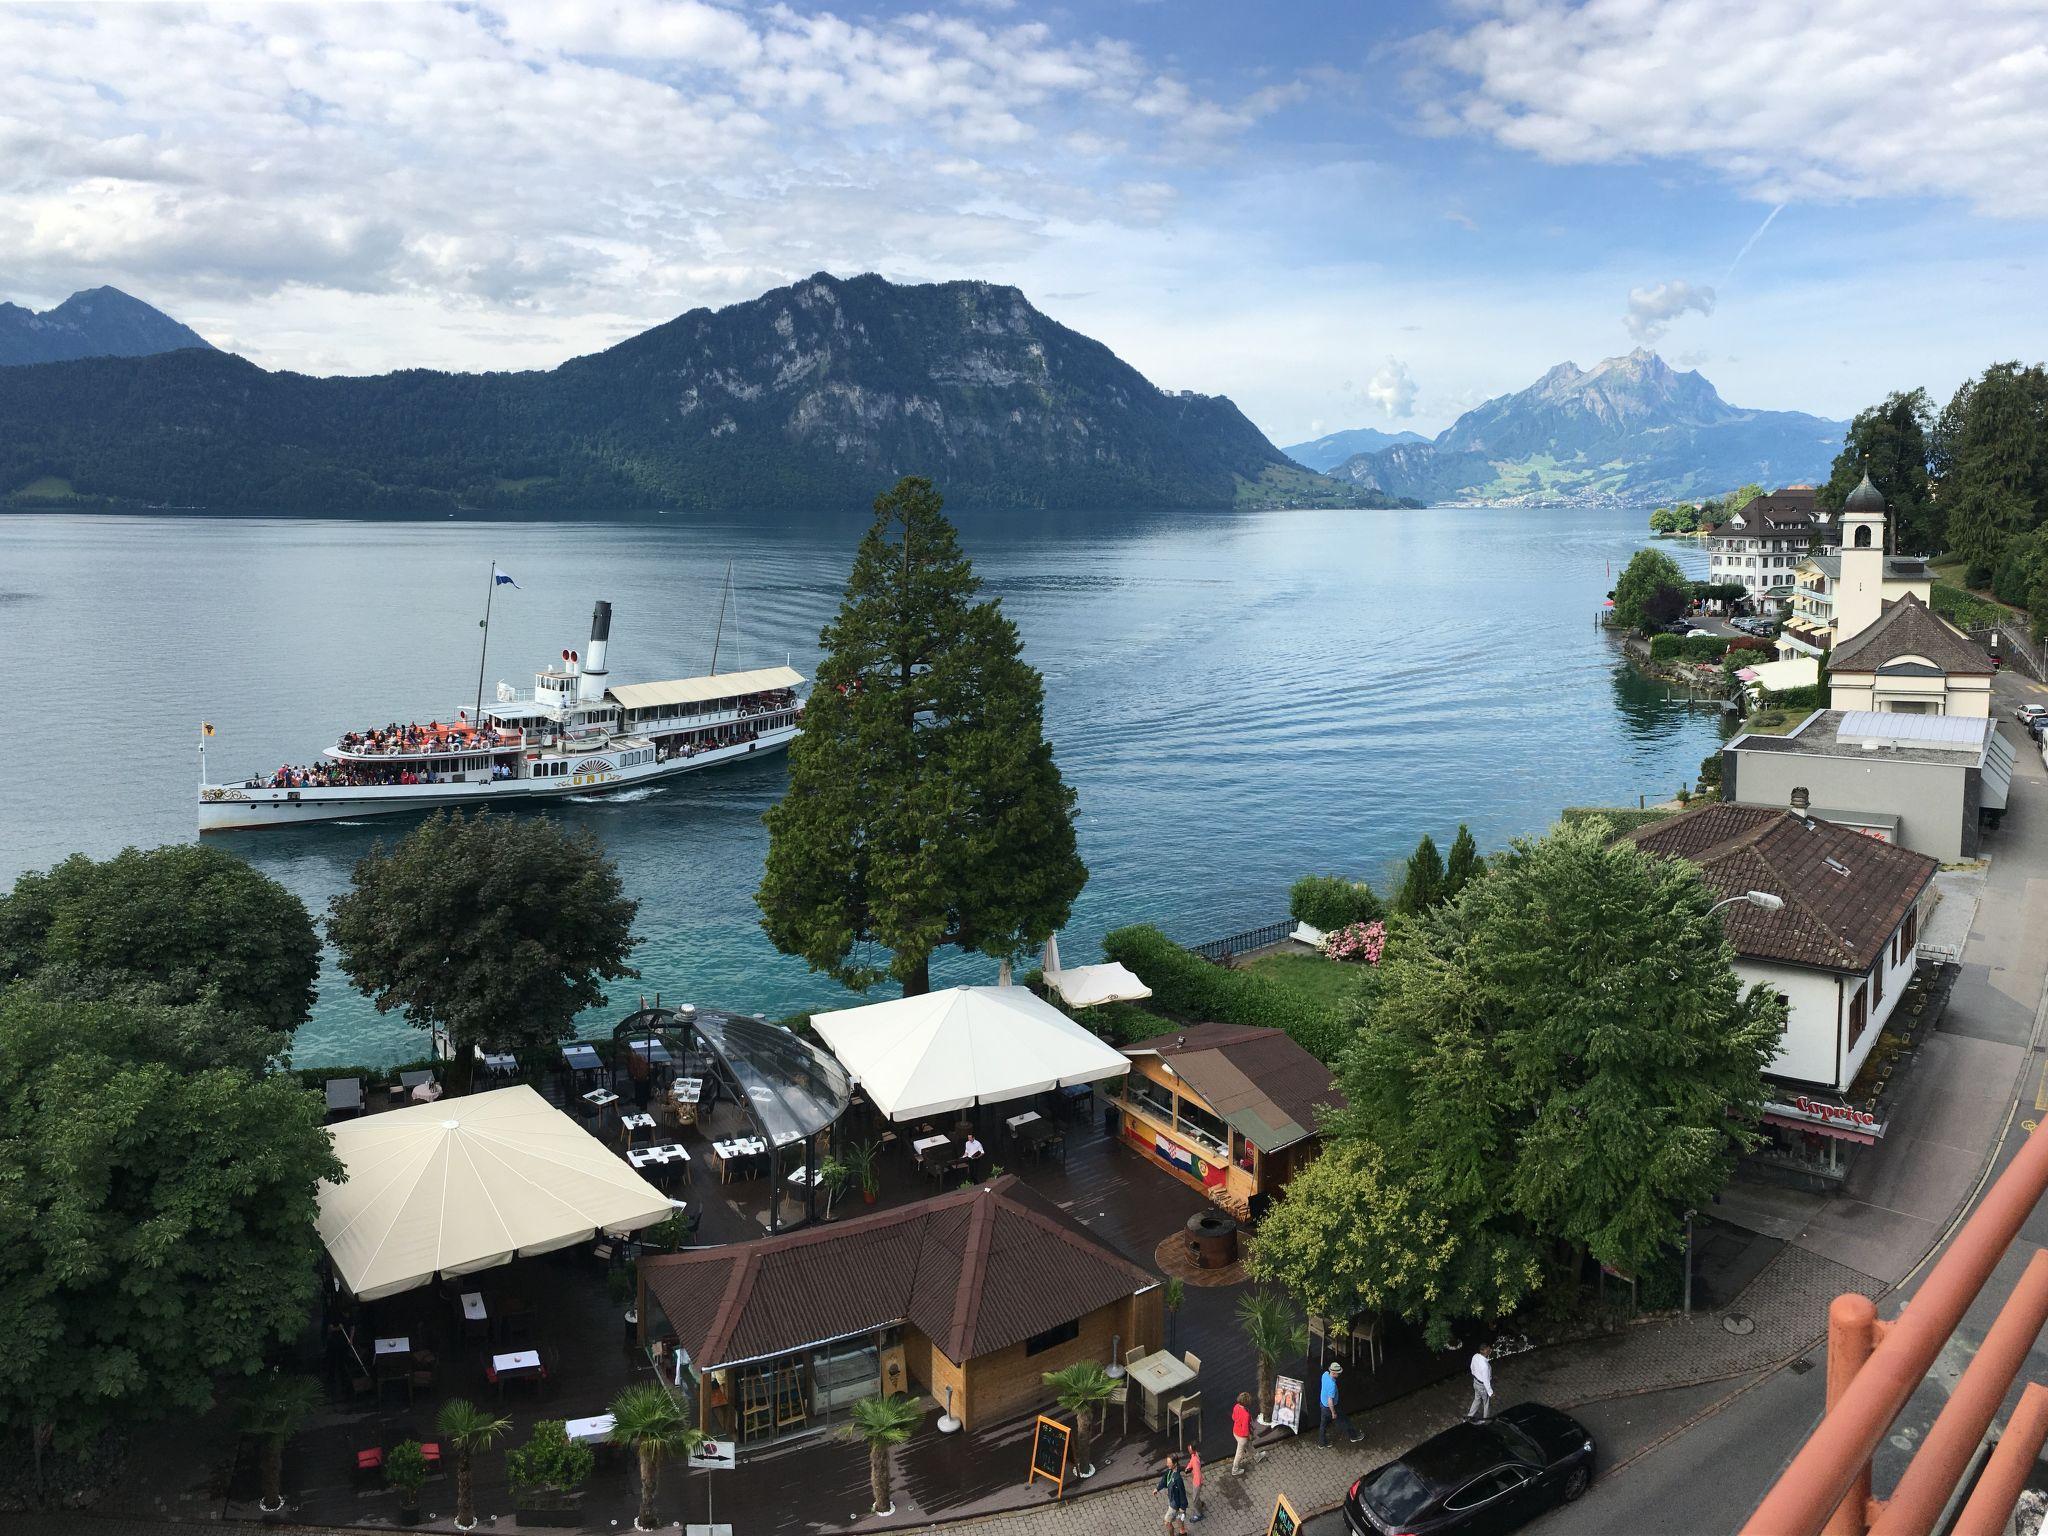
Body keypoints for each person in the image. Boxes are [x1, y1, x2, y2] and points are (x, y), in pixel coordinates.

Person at [1318, 1359, 1361, 1446]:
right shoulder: (1332, 1385)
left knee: (1323, 1424)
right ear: (1333, 1373)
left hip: (1322, 1404)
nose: (1339, 1374)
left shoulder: (1325, 1374)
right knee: (1344, 1421)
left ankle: (1322, 1443)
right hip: (1330, 1407)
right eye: (1338, 1373)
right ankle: (1354, 1436)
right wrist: (1333, 1412)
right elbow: (1330, 1401)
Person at [1231, 1390, 1266, 1474]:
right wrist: (1249, 1436)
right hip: (1242, 1436)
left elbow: (1233, 1417)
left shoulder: (1236, 1406)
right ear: (1246, 1402)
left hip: (1235, 1431)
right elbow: (1245, 1429)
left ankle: (1257, 1456)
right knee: (1239, 1453)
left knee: (1249, 1446)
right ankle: (1235, 1470)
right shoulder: (1245, 1415)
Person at [1157, 1453, 1190, 1534]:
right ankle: (1183, 1532)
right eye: (1167, 1462)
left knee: (1167, 1522)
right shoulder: (1170, 1470)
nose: (1167, 1464)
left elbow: (1182, 1493)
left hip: (1175, 1504)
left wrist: (1182, 1507)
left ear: (1174, 1464)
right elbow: (1164, 1480)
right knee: (1179, 1518)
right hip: (1173, 1500)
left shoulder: (1178, 1479)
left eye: (1169, 1463)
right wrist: (1157, 1488)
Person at [1467, 1343, 1495, 1423]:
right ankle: (1484, 1421)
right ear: (1484, 1351)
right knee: (1486, 1403)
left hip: (1475, 1382)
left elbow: (1471, 1367)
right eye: (1488, 1350)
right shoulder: (1485, 1366)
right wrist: (1490, 1392)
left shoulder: (1475, 1356)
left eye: (1489, 1348)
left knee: (1477, 1399)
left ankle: (1469, 1417)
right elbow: (1486, 1381)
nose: (1490, 1350)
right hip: (1482, 1386)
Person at [1186, 1447, 1204, 1522]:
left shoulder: (1195, 1461)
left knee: (1194, 1499)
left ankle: (1199, 1514)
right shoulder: (1194, 1455)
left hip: (1197, 1482)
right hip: (1196, 1480)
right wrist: (1188, 1467)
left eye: (1190, 1449)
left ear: (1193, 1450)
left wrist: (1198, 1483)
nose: (1188, 1450)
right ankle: (1200, 1504)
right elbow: (1191, 1462)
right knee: (1196, 1496)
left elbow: (1197, 1473)